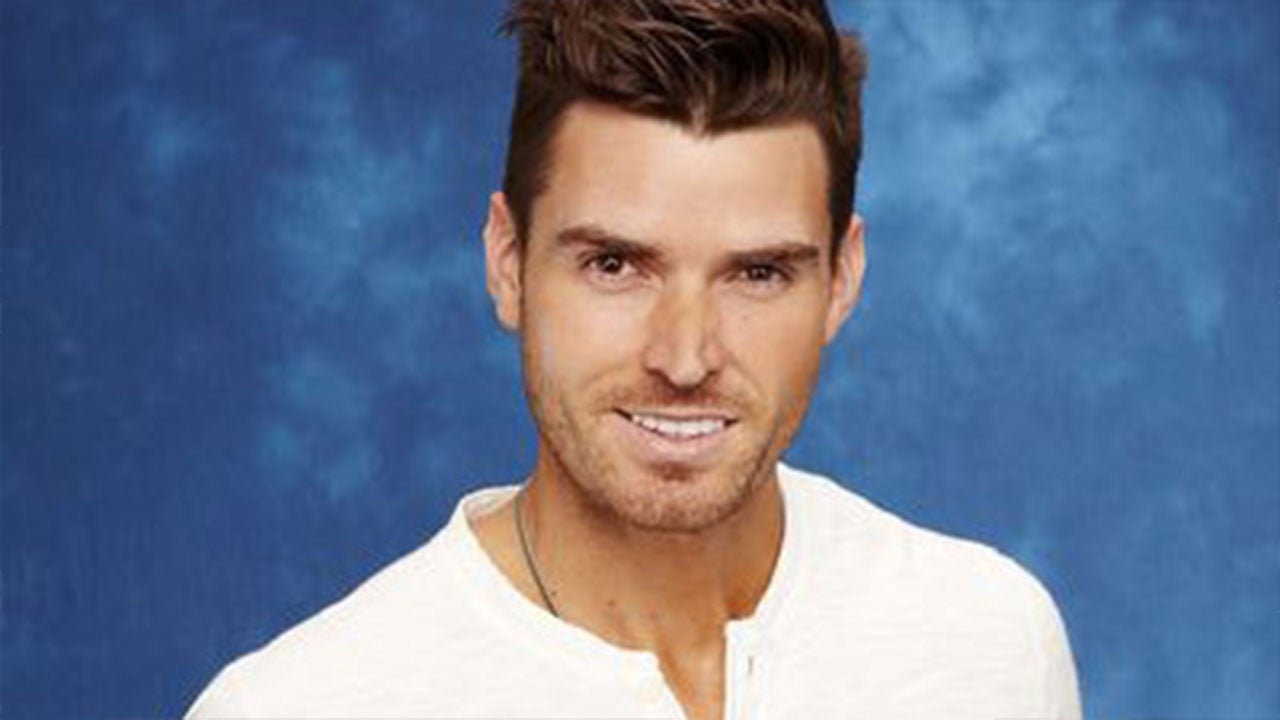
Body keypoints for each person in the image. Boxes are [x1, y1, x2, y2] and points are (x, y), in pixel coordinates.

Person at [186, 1, 1081, 718]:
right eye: (615, 265)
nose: (685, 358)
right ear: (508, 262)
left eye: (758, 273)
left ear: (842, 279)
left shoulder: (991, 642)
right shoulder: (297, 706)